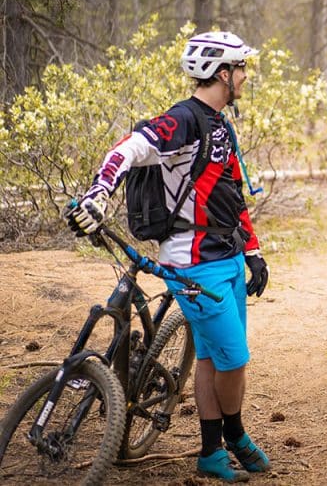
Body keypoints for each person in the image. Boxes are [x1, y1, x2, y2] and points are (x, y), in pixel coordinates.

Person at [67, 31, 271, 482]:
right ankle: (235, 434)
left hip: (228, 255)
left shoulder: (221, 124)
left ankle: (210, 451)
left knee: (211, 358)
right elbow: (130, 147)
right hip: (193, 260)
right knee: (234, 360)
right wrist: (99, 193)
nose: (245, 77)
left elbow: (232, 191)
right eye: (241, 69)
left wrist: (253, 251)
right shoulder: (183, 119)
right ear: (223, 73)